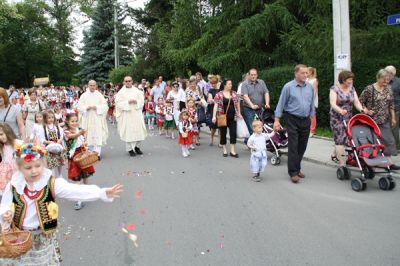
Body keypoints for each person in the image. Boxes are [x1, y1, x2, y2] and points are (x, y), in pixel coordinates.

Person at [0, 143, 123, 265]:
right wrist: (5, 213)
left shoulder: (51, 183)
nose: (34, 171)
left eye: (38, 166)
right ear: (20, 169)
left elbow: (75, 191)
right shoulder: (14, 185)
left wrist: (101, 193)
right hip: (19, 236)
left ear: (43, 164)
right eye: (28, 168)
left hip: (42, 237)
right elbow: (5, 205)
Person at [274, 64, 315, 183]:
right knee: (293, 146)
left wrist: (312, 115)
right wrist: (277, 120)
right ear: (296, 73)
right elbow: (281, 103)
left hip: (306, 119)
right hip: (292, 119)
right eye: (303, 73)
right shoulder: (288, 87)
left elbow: (311, 102)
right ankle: (292, 172)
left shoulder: (310, 87)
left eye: (307, 73)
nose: (306, 75)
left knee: (302, 146)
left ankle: (297, 168)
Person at [359, 69, 400, 169]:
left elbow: (391, 104)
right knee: (372, 142)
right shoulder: (369, 89)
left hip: (384, 120)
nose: (386, 82)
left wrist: (393, 117)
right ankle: (369, 161)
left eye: (388, 80)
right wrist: (366, 111)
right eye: (384, 80)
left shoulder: (388, 89)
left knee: (389, 141)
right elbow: (360, 101)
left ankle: (389, 163)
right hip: (371, 121)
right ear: (378, 78)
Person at [329, 70, 365, 167]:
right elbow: (332, 103)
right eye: (349, 79)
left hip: (348, 117)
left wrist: (362, 110)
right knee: (340, 139)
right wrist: (340, 110)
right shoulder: (334, 89)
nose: (350, 81)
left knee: (346, 138)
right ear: (343, 79)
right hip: (337, 117)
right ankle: (342, 163)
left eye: (351, 79)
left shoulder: (352, 89)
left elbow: (356, 102)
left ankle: (334, 154)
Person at [64, 112, 95, 210]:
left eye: (76, 121)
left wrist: (85, 142)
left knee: (85, 174)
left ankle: (86, 192)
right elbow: (72, 137)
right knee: (77, 177)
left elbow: (83, 140)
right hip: (74, 156)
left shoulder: (79, 129)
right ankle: (79, 199)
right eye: (72, 121)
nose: (74, 123)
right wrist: (79, 133)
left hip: (82, 154)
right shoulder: (66, 131)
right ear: (67, 122)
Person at [115, 76, 147, 157]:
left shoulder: (137, 91)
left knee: (139, 130)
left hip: (136, 113)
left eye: (129, 81)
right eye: (126, 81)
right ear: (124, 82)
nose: (128, 82)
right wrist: (127, 102)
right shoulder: (121, 93)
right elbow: (118, 103)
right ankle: (130, 149)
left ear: (132, 81)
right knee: (129, 131)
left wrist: (136, 101)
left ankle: (137, 147)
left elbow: (142, 101)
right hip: (127, 114)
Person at [77, 80, 109, 159]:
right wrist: (85, 108)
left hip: (97, 118)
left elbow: (105, 106)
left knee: (98, 134)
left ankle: (97, 154)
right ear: (88, 86)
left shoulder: (99, 95)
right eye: (90, 85)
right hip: (87, 118)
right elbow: (79, 106)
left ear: (96, 86)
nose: (92, 87)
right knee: (88, 135)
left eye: (93, 85)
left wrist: (97, 107)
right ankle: (90, 153)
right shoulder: (84, 95)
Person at [212, 79, 242, 157]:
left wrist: (239, 113)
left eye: (231, 84)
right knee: (223, 133)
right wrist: (214, 116)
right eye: (229, 84)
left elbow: (238, 104)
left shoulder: (234, 94)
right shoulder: (219, 94)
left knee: (233, 133)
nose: (231, 85)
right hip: (222, 117)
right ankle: (224, 149)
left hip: (233, 117)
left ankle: (232, 150)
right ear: (224, 85)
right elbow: (215, 105)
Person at [241, 68, 270, 143]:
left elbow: (266, 92)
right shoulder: (245, 84)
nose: (253, 76)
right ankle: (254, 143)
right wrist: (252, 105)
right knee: (252, 126)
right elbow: (245, 96)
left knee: (261, 125)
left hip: (260, 108)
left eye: (254, 75)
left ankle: (248, 140)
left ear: (257, 75)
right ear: (249, 75)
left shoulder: (261, 82)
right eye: (251, 75)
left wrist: (267, 103)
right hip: (248, 108)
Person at [40, 110, 66, 178]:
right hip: (49, 148)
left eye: (52, 117)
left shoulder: (57, 126)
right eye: (49, 117)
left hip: (58, 146)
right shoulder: (43, 128)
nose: (51, 119)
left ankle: (60, 175)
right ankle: (53, 176)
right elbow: (42, 139)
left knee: (59, 162)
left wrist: (59, 140)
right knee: (52, 163)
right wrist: (48, 142)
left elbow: (61, 135)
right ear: (45, 118)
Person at [0, 123, 18, 197]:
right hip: (5, 174)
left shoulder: (17, 143)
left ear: (8, 132)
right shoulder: (1, 147)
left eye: (1, 134)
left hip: (16, 171)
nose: (0, 137)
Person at [385, 65, 400, 148]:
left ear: (391, 73)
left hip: (395, 108)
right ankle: (386, 146)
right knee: (385, 128)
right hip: (383, 108)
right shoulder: (384, 80)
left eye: (386, 71)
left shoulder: (398, 82)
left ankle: (395, 147)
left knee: (394, 128)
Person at [206, 75, 219, 146]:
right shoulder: (211, 90)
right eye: (212, 83)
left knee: (220, 125)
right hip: (212, 109)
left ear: (217, 82)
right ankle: (211, 137)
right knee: (213, 126)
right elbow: (210, 100)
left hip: (219, 109)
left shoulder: (220, 90)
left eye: (214, 83)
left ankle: (220, 141)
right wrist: (216, 100)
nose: (213, 84)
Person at [308, 67, 319, 137]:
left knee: (312, 115)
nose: (306, 73)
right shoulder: (306, 79)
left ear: (311, 72)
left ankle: (312, 131)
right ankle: (308, 129)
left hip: (312, 99)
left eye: (307, 72)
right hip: (305, 99)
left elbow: (315, 91)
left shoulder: (315, 80)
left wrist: (312, 100)